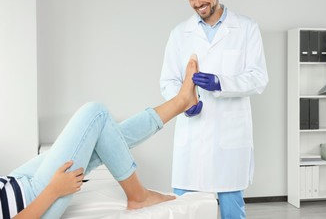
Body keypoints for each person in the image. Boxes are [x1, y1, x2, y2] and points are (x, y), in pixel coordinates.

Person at [1, 56, 200, 219]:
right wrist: (53, 190)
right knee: (96, 114)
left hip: (15, 181)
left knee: (106, 136)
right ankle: (138, 195)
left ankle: (182, 102)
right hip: (31, 199)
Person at [160, 0, 268, 219]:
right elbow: (168, 81)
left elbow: (259, 77)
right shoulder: (179, 34)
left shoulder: (246, 28)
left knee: (232, 209)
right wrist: (183, 102)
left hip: (229, 138)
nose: (198, 3)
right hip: (192, 139)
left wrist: (221, 83)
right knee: (185, 210)